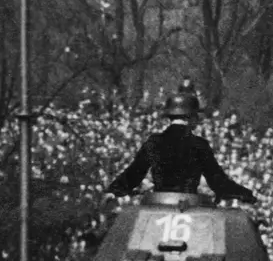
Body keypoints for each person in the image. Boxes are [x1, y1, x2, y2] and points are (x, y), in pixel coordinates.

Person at [106, 81, 258, 203]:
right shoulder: (199, 145)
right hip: (189, 206)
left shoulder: (154, 142)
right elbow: (218, 182)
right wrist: (245, 194)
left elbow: (133, 174)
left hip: (158, 205)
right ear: (191, 117)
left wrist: (114, 191)